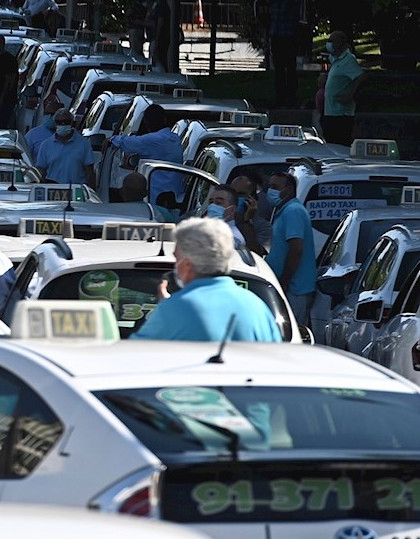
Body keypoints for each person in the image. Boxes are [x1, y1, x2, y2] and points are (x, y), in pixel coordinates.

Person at [135, 218, 282, 342]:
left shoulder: (174, 308)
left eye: (176, 258)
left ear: (187, 265)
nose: (175, 265)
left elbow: (134, 353)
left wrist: (169, 307)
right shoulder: (257, 306)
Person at [101, 106, 186, 210]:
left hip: (156, 201)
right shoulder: (174, 138)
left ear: (146, 124)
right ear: (164, 119)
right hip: (175, 199)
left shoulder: (153, 140)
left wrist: (111, 139)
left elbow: (129, 143)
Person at [265, 172, 318, 328]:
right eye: (270, 186)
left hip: (295, 290)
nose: (270, 191)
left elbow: (296, 249)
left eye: (275, 187)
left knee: (290, 332)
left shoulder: (293, 211)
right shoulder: (283, 211)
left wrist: (284, 281)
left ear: (288, 190)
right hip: (288, 288)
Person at [264, 0, 302, 107]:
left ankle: (291, 97)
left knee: (290, 68)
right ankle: (280, 97)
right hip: (277, 37)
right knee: (279, 69)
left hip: (289, 37)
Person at [323, 32, 364, 147]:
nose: (329, 44)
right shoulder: (335, 59)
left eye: (332, 41)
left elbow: (361, 76)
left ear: (340, 43)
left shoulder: (348, 59)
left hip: (341, 114)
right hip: (330, 111)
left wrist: (350, 94)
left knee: (340, 146)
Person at [33, 111, 96, 186]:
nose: (63, 124)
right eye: (59, 122)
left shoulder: (84, 143)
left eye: (66, 122)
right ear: (55, 124)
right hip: (53, 189)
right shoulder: (46, 145)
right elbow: (41, 170)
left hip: (76, 189)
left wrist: (91, 189)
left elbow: (90, 171)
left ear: (72, 123)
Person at [0, 36, 20, 129]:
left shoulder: (9, 59)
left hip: (4, 102)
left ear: (2, 44)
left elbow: (10, 80)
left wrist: (2, 98)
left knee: (0, 126)